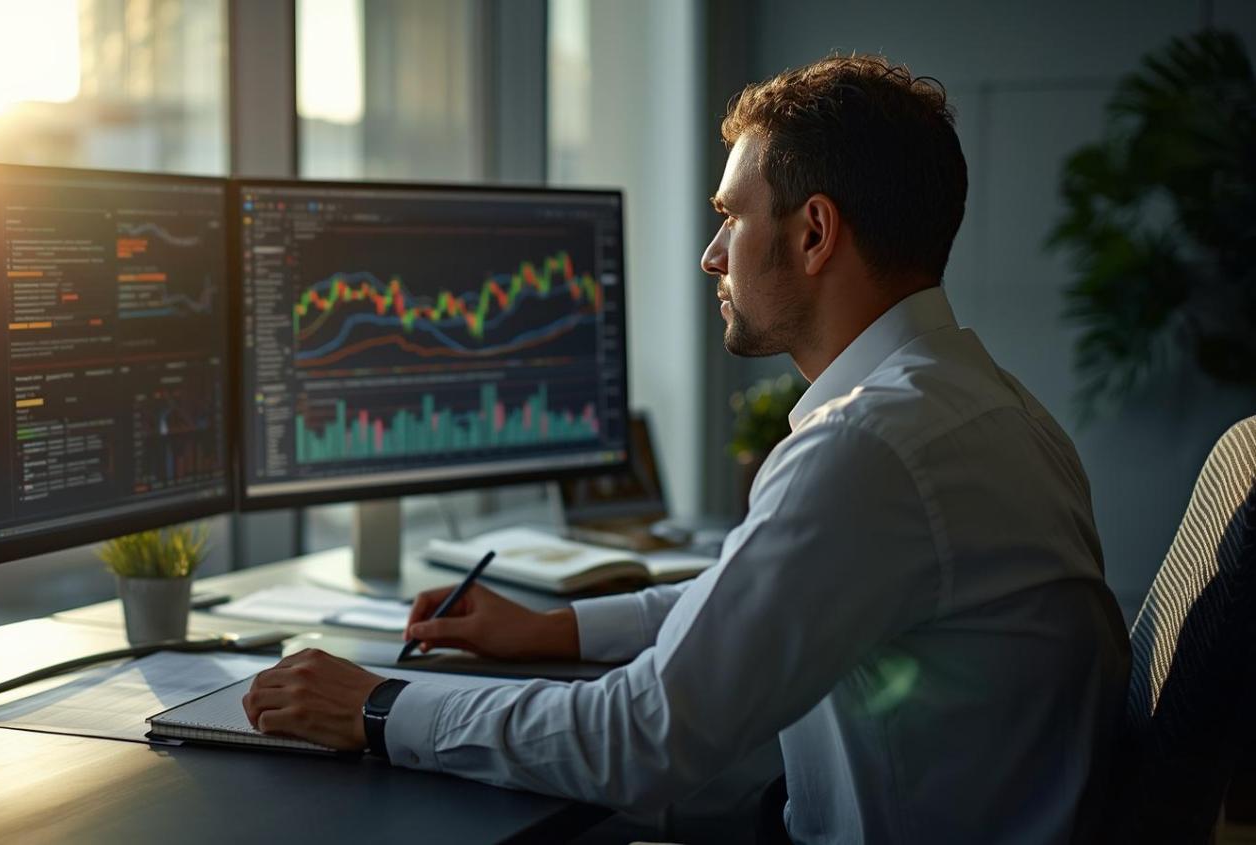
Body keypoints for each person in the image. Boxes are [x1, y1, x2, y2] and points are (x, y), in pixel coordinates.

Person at [242, 55, 1129, 843]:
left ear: (814, 233)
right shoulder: (982, 402)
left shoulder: (870, 448)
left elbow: (637, 740)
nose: (710, 256)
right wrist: (554, 628)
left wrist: (375, 704)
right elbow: (751, 595)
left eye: (731, 219)